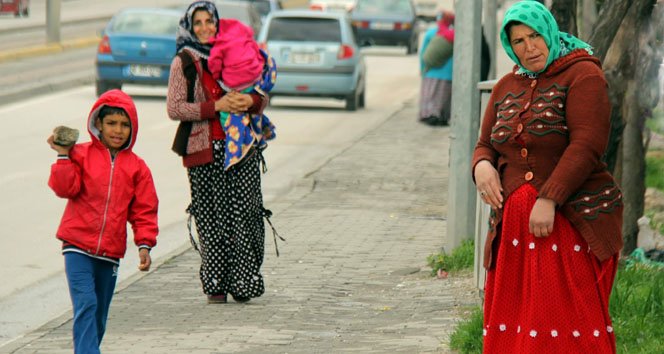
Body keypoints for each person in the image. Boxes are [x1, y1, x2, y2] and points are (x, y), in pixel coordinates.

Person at [472, 1, 623, 353]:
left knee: (567, 326)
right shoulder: (507, 84)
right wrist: (481, 166)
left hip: (569, 221)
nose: (529, 47)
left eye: (535, 35)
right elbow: (485, 144)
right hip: (513, 232)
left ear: (550, 33)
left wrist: (549, 198)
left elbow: (586, 144)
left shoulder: (583, 75)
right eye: (519, 40)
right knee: (519, 326)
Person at [167, 1, 275, 304]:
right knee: (212, 218)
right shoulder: (184, 61)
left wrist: (251, 103)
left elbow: (260, 89)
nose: (204, 28)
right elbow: (175, 109)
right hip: (203, 151)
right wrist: (215, 107)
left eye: (209, 22)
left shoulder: (237, 49)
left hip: (242, 149)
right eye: (197, 23)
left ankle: (244, 282)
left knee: (247, 214)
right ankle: (216, 285)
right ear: (189, 26)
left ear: (218, 23)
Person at [47, 89, 159, 354]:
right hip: (77, 247)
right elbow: (64, 188)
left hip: (110, 252)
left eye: (124, 124)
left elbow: (145, 209)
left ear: (133, 128)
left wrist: (144, 244)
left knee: (98, 315)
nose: (117, 130)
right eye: (111, 123)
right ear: (98, 123)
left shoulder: (137, 167)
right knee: (86, 303)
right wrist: (63, 154)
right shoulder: (80, 154)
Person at [207, 17, 277, 170]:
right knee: (250, 112)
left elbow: (214, 64)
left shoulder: (219, 45)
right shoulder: (245, 38)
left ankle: (236, 149)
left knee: (232, 114)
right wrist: (255, 70)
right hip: (254, 79)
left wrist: (218, 75)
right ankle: (263, 132)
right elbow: (257, 54)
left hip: (235, 84)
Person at [418, 11, 454, 126]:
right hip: (447, 73)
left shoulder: (431, 33)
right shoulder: (455, 35)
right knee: (444, 97)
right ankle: (442, 117)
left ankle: (428, 115)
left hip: (430, 72)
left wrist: (422, 69)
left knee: (430, 95)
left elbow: (423, 53)